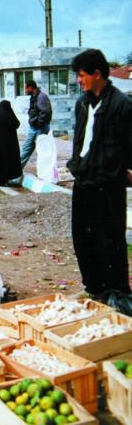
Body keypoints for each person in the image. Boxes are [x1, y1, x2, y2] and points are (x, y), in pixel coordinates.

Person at [67, 49, 132, 299]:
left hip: (108, 185)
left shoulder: (121, 105)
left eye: (82, 75)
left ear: (97, 74)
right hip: (84, 181)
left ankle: (116, 294)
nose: (79, 81)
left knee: (110, 241)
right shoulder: (82, 103)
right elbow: (80, 139)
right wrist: (76, 163)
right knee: (83, 239)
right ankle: (94, 288)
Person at [19, 80, 52, 169]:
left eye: (26, 88)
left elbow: (46, 112)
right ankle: (15, 172)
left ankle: (44, 173)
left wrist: (38, 123)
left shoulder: (42, 97)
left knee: (42, 151)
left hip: (41, 128)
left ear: (30, 87)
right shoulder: (33, 96)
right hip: (33, 128)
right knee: (26, 149)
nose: (25, 90)